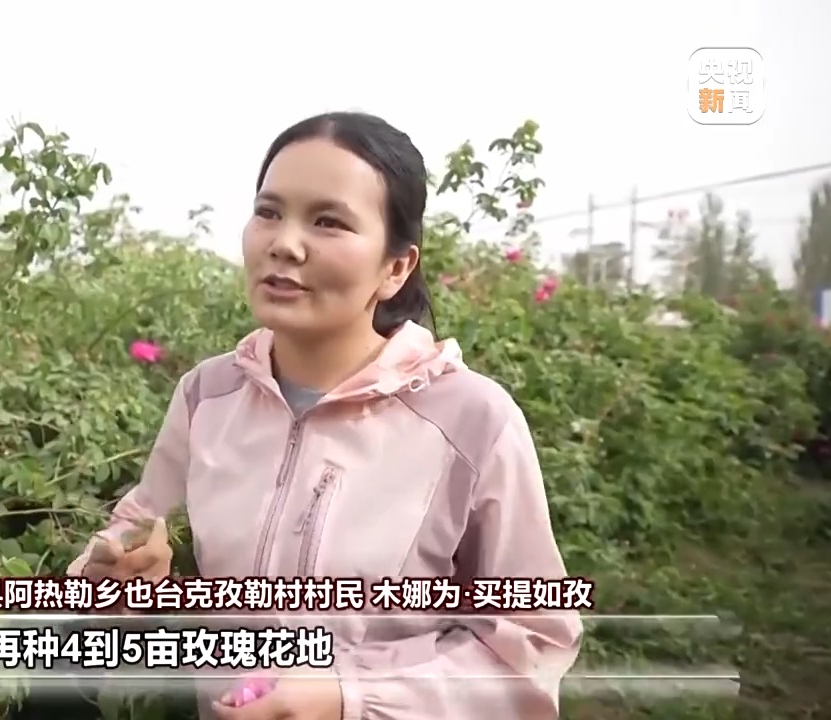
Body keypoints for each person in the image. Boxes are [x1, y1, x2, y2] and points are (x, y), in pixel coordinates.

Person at [69, 112, 582, 720]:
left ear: (396, 267)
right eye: (268, 212)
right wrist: (118, 578)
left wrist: (348, 697)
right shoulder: (207, 396)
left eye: (328, 221)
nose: (284, 243)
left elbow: (530, 646)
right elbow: (133, 539)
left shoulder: (472, 422)